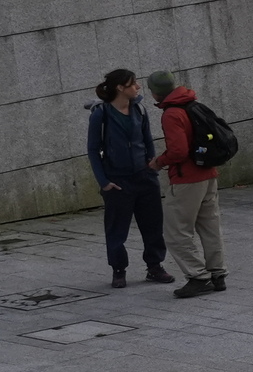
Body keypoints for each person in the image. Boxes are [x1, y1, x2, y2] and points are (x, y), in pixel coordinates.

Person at [85, 68, 169, 291]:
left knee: (152, 225)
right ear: (120, 88)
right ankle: (118, 270)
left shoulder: (139, 109)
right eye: (133, 84)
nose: (138, 87)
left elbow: (147, 139)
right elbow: (93, 150)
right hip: (117, 180)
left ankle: (154, 266)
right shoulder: (100, 114)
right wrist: (104, 181)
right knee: (116, 229)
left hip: (144, 177)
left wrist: (152, 166)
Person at [146, 70, 225, 297]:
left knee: (176, 232)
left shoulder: (172, 114)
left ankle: (198, 277)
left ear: (156, 92)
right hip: (208, 174)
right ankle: (217, 274)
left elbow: (178, 151)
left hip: (186, 179)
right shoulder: (192, 104)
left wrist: (158, 162)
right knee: (210, 227)